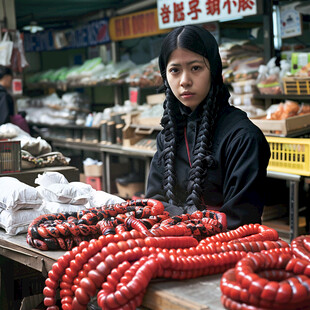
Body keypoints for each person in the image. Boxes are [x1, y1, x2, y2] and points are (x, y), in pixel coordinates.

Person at [145, 25, 271, 230]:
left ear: (213, 70)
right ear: (165, 75)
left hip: (224, 254)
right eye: (175, 70)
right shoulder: (167, 137)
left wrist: (177, 221)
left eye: (196, 68)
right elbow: (152, 205)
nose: (185, 81)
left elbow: (240, 221)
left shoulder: (243, 138)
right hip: (170, 248)